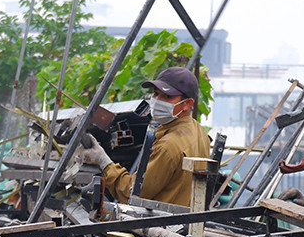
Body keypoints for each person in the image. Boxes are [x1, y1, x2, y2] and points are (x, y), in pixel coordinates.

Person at [78, 66, 211, 207]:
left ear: (187, 104)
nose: (157, 100)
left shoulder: (168, 146)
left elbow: (132, 193)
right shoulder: (199, 131)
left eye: (167, 96)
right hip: (185, 219)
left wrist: (103, 161)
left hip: (163, 223)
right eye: (155, 94)